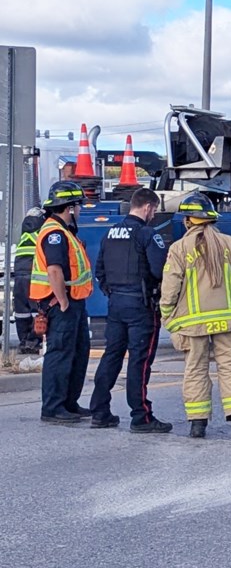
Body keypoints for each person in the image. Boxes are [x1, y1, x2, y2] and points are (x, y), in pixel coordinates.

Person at [159, 193, 231, 439]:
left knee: (195, 370)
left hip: (192, 324)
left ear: (187, 221)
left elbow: (170, 287)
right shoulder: (230, 244)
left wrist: (167, 316)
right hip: (229, 320)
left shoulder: (179, 248)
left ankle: (198, 424)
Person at [89, 188, 171, 432]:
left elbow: (100, 271)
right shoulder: (147, 234)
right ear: (147, 207)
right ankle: (141, 416)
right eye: (154, 210)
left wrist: (113, 292)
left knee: (111, 356)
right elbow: (159, 271)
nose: (153, 214)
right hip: (141, 307)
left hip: (116, 305)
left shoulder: (110, 233)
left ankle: (100, 411)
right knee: (140, 360)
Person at [29, 182, 93, 424]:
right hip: (61, 304)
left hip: (72, 303)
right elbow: (54, 270)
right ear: (69, 207)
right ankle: (53, 407)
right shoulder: (55, 233)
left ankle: (68, 403)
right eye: (78, 206)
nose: (80, 210)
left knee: (77, 353)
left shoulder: (64, 231)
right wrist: (63, 302)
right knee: (61, 354)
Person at [13, 207, 45, 355]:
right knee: (36, 311)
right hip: (34, 277)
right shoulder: (42, 233)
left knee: (21, 312)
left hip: (19, 277)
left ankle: (24, 342)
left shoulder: (24, 234)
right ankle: (33, 342)